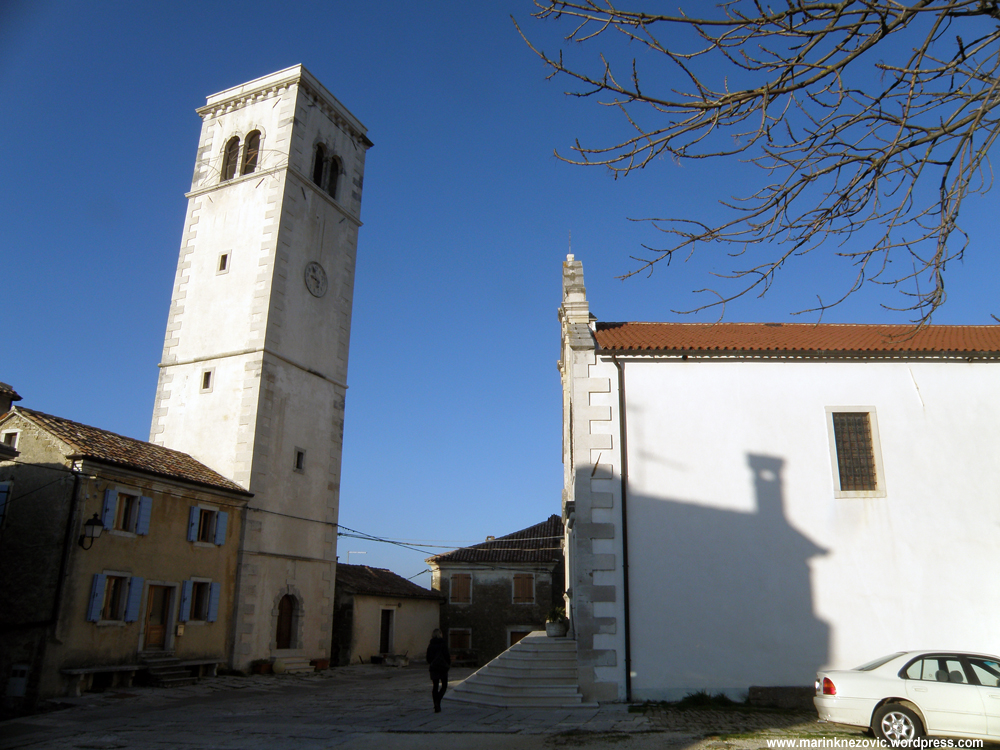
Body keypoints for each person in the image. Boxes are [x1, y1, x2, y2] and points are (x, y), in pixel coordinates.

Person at [426, 628, 450, 712]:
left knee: (435, 686)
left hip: (434, 667)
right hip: (442, 667)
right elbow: (447, 656)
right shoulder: (443, 644)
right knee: (444, 686)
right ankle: (438, 701)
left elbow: (428, 658)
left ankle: (436, 705)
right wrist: (448, 664)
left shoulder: (431, 645)